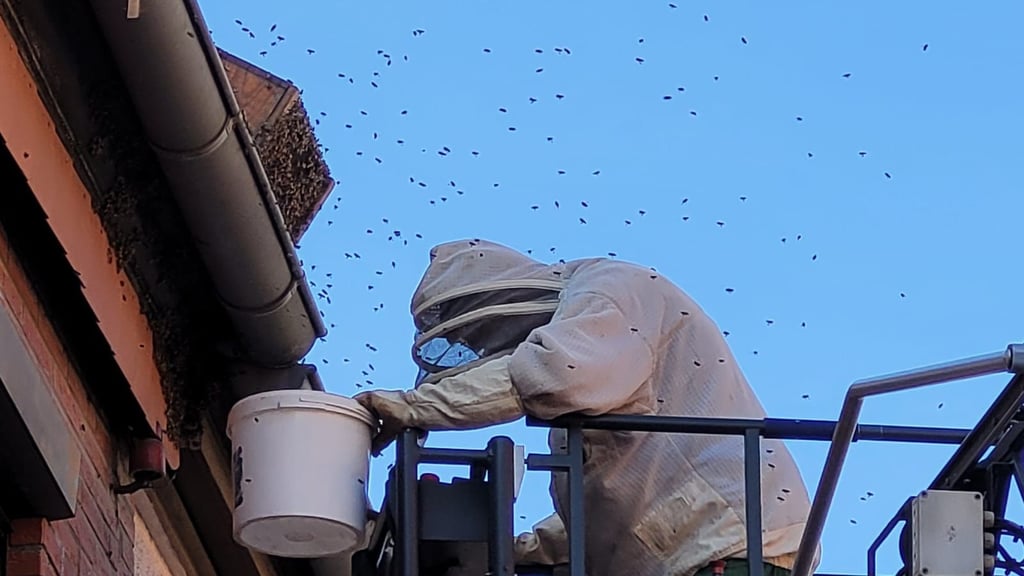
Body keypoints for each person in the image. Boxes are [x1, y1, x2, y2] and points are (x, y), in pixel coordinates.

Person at [355, 239, 820, 576]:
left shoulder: (611, 289)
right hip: (705, 550)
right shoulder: (583, 388)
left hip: (731, 546)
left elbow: (553, 373)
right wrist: (511, 550)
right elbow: (600, 517)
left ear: (494, 296)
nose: (486, 346)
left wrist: (413, 407)